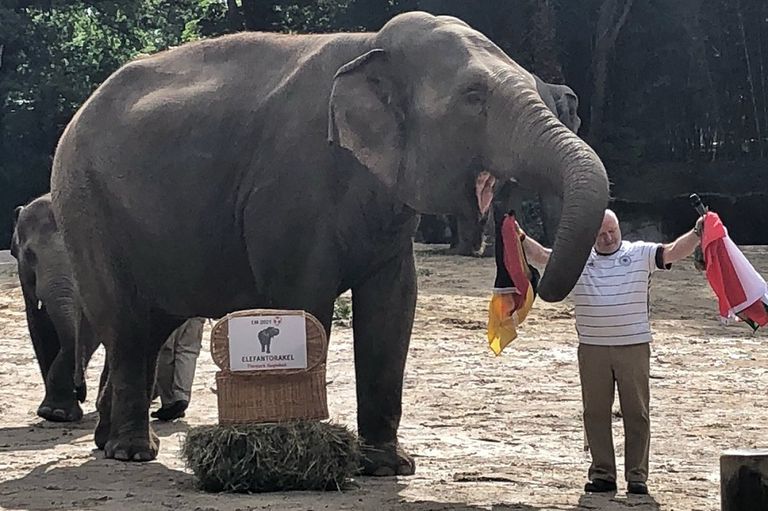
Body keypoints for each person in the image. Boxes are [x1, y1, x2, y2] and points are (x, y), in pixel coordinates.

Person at [519, 209, 703, 495]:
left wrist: (697, 233)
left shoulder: (640, 253)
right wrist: (517, 235)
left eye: (611, 232)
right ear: (591, 235)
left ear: (619, 230)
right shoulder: (577, 258)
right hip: (592, 347)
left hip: (633, 345)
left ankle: (637, 476)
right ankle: (603, 474)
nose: (606, 239)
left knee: (637, 412)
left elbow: (672, 252)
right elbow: (543, 256)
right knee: (594, 412)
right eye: (600, 234)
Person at [151, 317, 206, 421]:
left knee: (165, 352)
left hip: (170, 308)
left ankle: (170, 401)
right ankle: (182, 396)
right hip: (198, 306)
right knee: (188, 351)